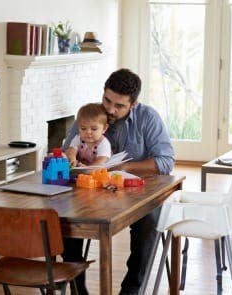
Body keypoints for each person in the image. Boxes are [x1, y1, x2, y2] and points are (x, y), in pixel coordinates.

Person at [60, 68, 175, 294]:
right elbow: (67, 153)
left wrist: (125, 167)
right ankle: (77, 288)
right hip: (90, 192)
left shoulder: (147, 118)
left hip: (136, 192)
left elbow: (165, 162)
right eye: (107, 100)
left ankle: (131, 289)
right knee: (65, 218)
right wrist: (70, 160)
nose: (110, 109)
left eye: (119, 106)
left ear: (133, 104)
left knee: (149, 221)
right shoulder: (89, 116)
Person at [64, 103, 111, 167]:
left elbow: (101, 160)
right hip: (81, 169)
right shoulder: (78, 138)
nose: (88, 132)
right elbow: (71, 150)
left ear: (104, 128)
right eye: (83, 128)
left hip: (97, 171)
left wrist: (87, 168)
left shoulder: (103, 143)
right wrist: (72, 158)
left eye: (94, 129)